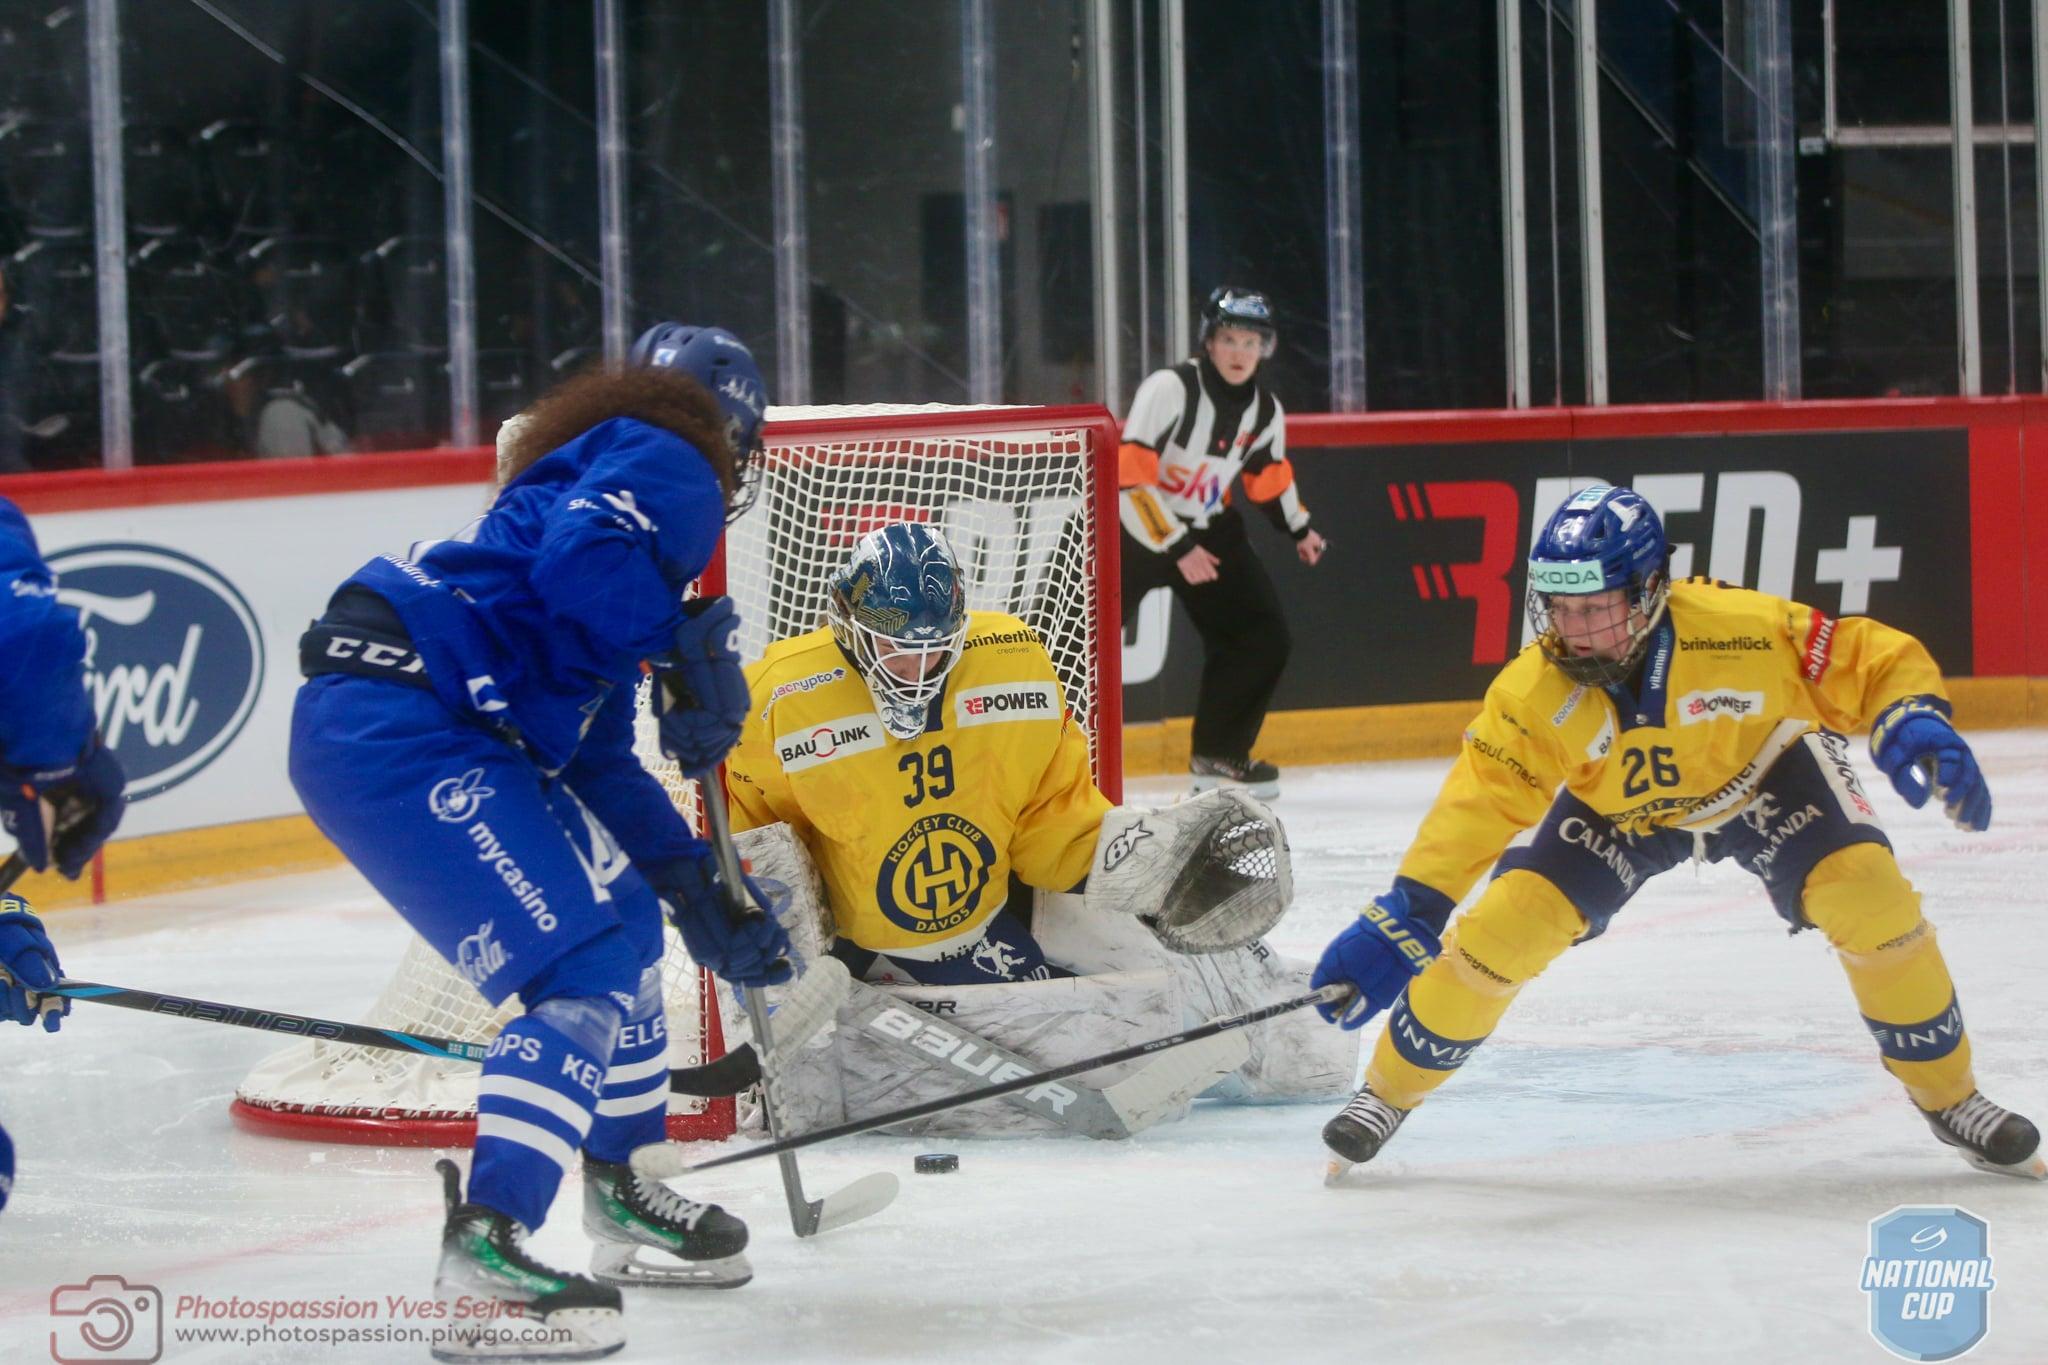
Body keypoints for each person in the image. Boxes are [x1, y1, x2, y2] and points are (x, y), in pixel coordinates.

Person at [287, 323, 790, 1361]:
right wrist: (681, 649)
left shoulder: (591, 474)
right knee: (582, 972)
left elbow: (596, 759)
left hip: (412, 717)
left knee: (627, 929)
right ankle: (486, 1251)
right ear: (733, 431)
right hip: (409, 727)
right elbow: (579, 563)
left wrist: (691, 884)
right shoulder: (675, 459)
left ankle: (621, 1185)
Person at [1310, 483, 2043, 1182]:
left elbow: (1867, 657)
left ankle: (1951, 1098)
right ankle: (1387, 1091)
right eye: (1560, 607)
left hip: (1768, 773)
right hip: (1620, 812)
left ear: (1650, 589)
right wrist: (1410, 910)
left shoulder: (1744, 629)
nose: (1575, 631)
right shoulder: (1530, 692)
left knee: (1873, 903)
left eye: (1595, 606)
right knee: (1503, 931)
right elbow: (1479, 802)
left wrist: (1911, 711)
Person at [725, 523, 1351, 1138]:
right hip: (870, 961)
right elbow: (759, 861)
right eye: (895, 648)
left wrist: (1140, 861)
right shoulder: (777, 700)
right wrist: (779, 988)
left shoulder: (1010, 661)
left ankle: (1300, 1027)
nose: (916, 669)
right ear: (847, 625)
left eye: (935, 647)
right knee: (1125, 1043)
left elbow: (1049, 816)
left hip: (994, 919)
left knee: (1278, 1041)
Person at [1118, 286, 1327, 800]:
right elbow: (1129, 479)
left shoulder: (1265, 412)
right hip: (1132, 530)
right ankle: (1055, 760)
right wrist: (1177, 545)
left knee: (1262, 636)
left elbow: (1268, 478)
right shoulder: (1169, 388)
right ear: (1208, 342)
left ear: (1265, 350)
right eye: (1229, 339)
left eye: (1251, 343)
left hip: (1208, 529)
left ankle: (1218, 756)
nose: (1239, 353)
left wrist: (1300, 529)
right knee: (1080, 645)